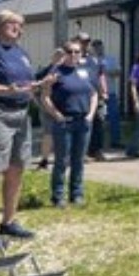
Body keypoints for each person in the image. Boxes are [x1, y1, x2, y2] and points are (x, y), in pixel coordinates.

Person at [0, 9, 56, 240]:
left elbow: (24, 84)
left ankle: (8, 222)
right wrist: (8, 90)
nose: (20, 28)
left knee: (16, 169)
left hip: (21, 115)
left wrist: (40, 83)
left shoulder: (20, 52)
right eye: (14, 24)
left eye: (22, 25)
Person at [41, 40, 98, 207]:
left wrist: (91, 115)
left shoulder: (85, 71)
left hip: (83, 121)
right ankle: (58, 196)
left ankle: (77, 194)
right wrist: (56, 114)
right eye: (70, 51)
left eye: (77, 51)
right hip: (64, 122)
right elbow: (45, 96)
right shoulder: (55, 72)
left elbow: (94, 94)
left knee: (78, 161)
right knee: (62, 161)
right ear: (64, 53)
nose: (74, 55)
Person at [75, 32, 108, 162]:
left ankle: (96, 150)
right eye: (83, 41)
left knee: (99, 122)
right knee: (83, 124)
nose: (85, 44)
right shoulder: (73, 57)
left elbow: (101, 74)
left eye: (87, 41)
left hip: (95, 95)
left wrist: (104, 91)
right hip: (80, 96)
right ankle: (81, 152)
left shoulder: (93, 59)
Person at [34, 48, 67, 171]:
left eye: (62, 56)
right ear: (53, 57)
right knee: (48, 133)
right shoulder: (45, 71)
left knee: (64, 134)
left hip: (63, 107)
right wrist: (39, 103)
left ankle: (64, 159)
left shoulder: (67, 71)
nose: (60, 58)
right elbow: (34, 87)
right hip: (47, 107)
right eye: (57, 55)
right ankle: (44, 160)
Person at [92, 38, 123, 148]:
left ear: (103, 47)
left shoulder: (111, 59)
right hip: (96, 94)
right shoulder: (91, 61)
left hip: (111, 92)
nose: (98, 49)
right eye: (95, 47)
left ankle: (115, 141)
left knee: (114, 117)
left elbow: (119, 72)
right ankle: (98, 144)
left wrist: (106, 72)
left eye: (100, 46)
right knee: (99, 119)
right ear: (93, 49)